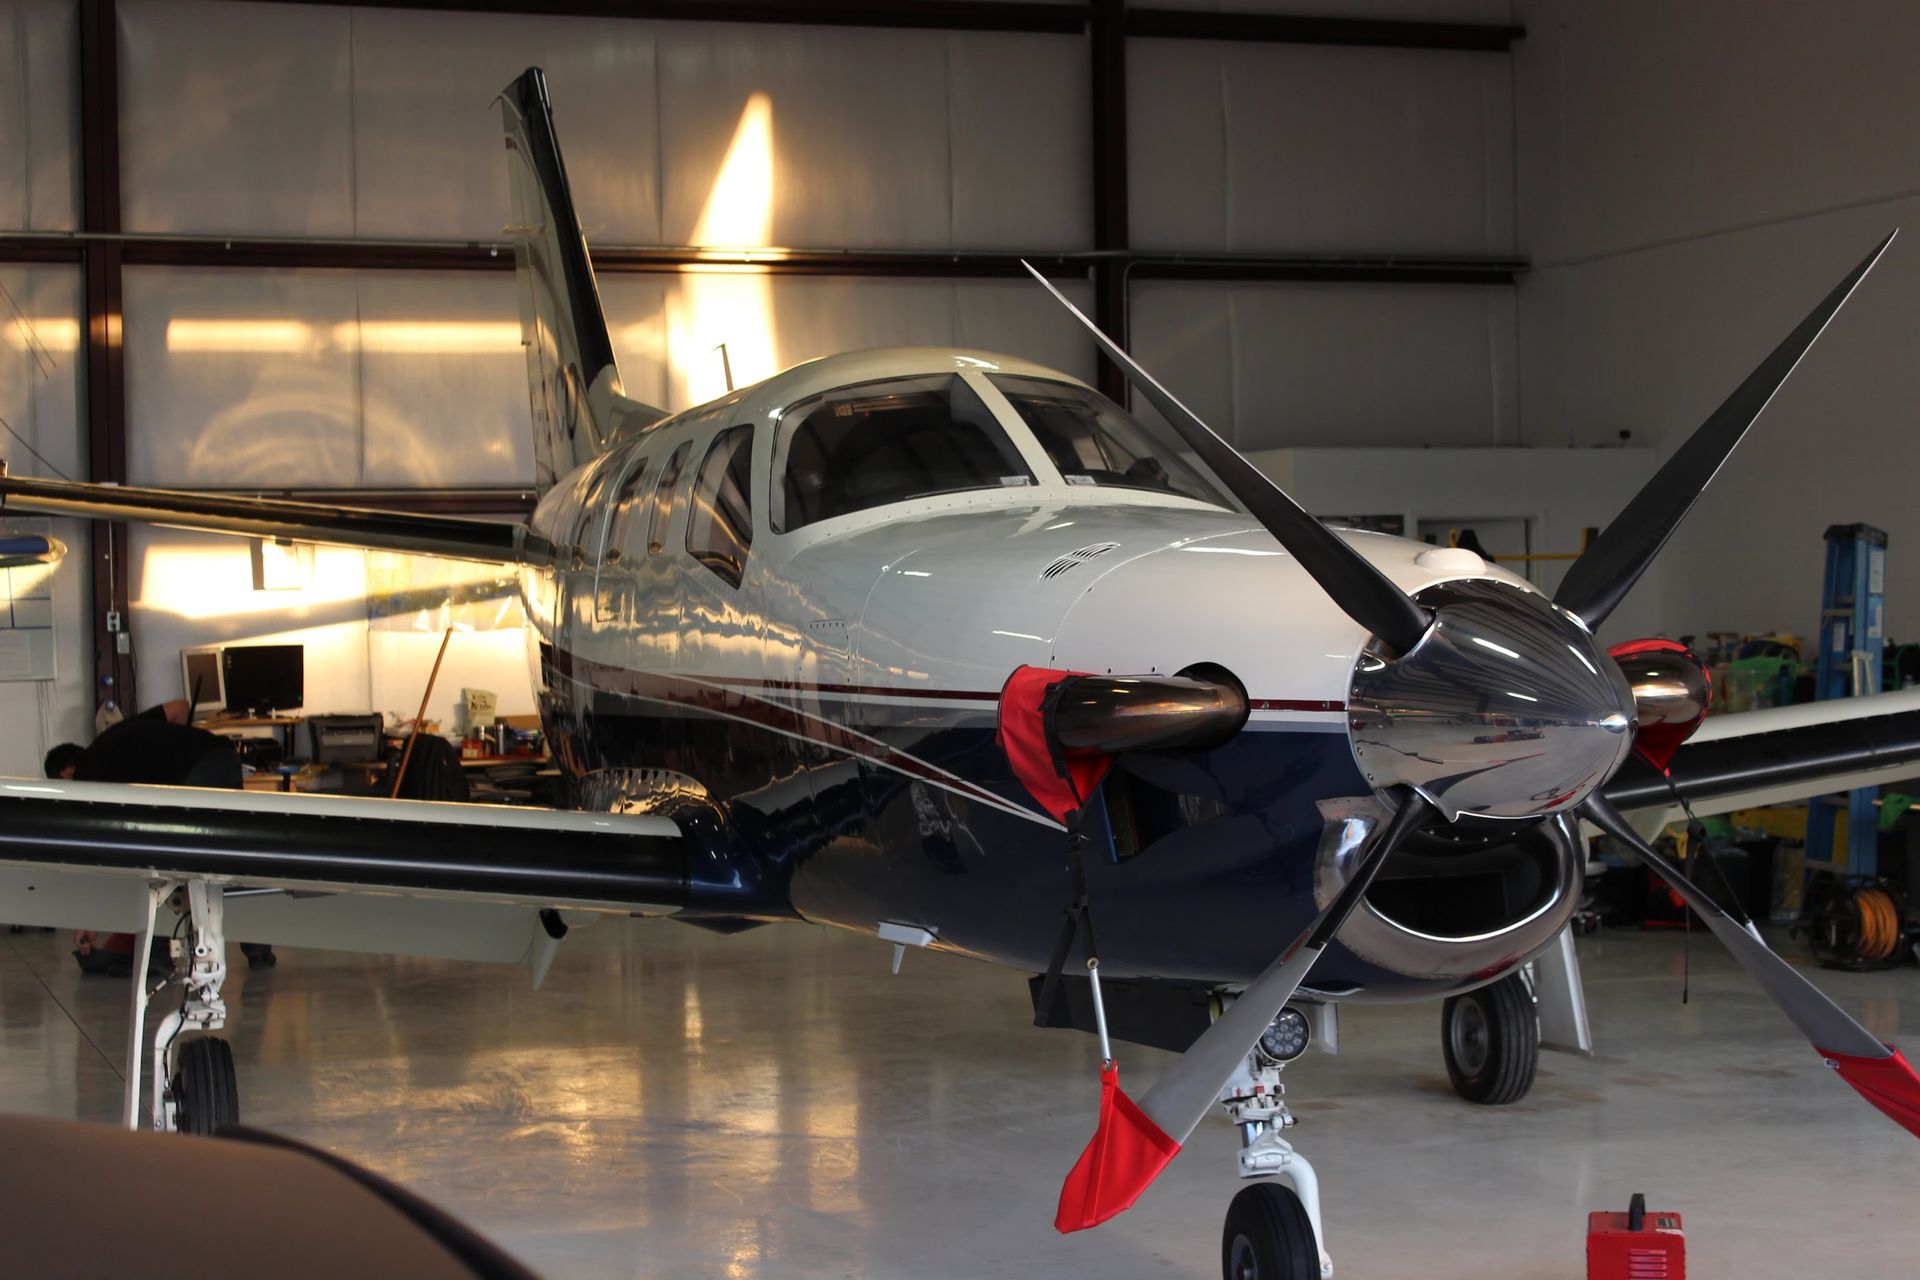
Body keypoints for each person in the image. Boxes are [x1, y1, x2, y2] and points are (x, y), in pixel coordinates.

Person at [46, 700, 276, 971]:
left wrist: (92, 920)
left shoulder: (92, 780)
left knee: (171, 865)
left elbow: (112, 858)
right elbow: (180, 707)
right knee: (230, 860)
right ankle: (258, 951)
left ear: (67, 773)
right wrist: (177, 748)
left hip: (200, 775)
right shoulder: (117, 734)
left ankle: (158, 952)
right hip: (223, 757)